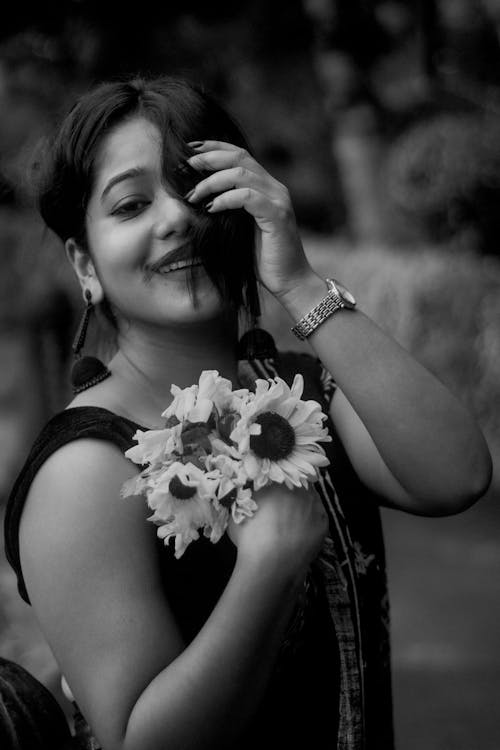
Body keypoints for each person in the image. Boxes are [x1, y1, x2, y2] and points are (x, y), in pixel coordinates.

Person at [3, 75, 492, 750]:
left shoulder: (305, 394)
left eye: (198, 186)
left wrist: (299, 283)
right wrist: (266, 569)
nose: (176, 217)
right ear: (85, 265)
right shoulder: (84, 469)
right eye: (131, 205)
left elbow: (457, 476)